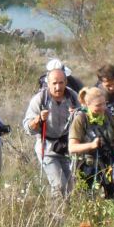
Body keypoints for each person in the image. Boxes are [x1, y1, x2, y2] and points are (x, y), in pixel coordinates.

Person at [24, 67, 80, 201]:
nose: (58, 86)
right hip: (46, 148)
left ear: (66, 82)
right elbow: (27, 127)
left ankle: (67, 217)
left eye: (61, 82)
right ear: (48, 83)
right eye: (54, 83)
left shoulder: (72, 97)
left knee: (71, 188)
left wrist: (77, 114)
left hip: (65, 148)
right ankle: (57, 217)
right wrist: (38, 119)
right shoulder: (40, 99)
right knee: (59, 185)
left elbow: (84, 117)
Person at [68, 86, 114, 199]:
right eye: (98, 105)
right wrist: (91, 145)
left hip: (107, 162)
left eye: (104, 104)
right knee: (86, 199)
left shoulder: (106, 114)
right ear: (87, 104)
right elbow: (72, 148)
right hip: (86, 167)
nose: (102, 108)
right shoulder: (81, 119)